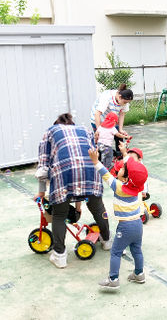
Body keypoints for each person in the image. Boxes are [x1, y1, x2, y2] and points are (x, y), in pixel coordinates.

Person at [34, 113, 111, 269]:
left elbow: (43, 167)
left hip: (64, 173)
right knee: (98, 208)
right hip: (91, 169)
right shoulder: (84, 130)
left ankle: (60, 256)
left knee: (59, 215)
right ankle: (107, 241)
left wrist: (41, 193)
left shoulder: (49, 131)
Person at [89, 142, 148, 290]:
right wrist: (124, 153)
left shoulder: (120, 187)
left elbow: (106, 175)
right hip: (138, 225)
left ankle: (113, 279)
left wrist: (96, 161)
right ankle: (139, 274)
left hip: (126, 226)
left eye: (122, 169)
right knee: (136, 250)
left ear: (126, 177)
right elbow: (134, 171)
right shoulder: (138, 187)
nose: (119, 169)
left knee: (115, 252)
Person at [90, 83, 133, 152]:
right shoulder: (107, 97)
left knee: (118, 136)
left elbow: (122, 114)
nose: (126, 104)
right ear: (119, 97)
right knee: (101, 140)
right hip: (98, 119)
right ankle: (99, 158)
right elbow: (97, 113)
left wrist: (120, 129)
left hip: (112, 120)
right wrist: (99, 130)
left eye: (127, 102)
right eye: (125, 102)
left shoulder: (124, 101)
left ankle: (120, 156)